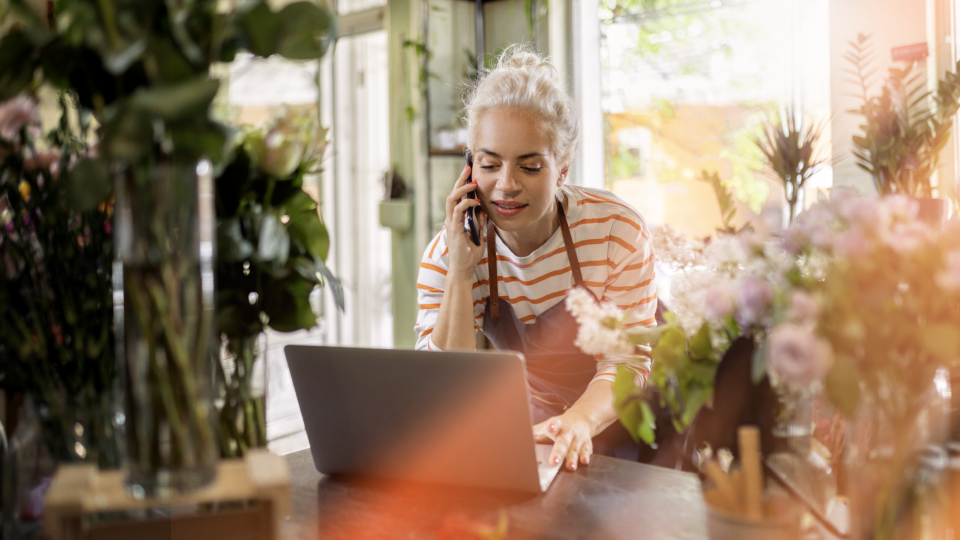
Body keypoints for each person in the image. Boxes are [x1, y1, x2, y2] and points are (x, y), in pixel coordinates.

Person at [415, 45, 657, 471]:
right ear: (470, 169)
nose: (505, 186)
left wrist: (579, 421)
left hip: (624, 421)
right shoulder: (447, 254)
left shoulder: (616, 232)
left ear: (562, 168)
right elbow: (444, 390)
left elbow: (627, 360)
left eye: (529, 167)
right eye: (489, 165)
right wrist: (461, 269)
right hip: (537, 427)